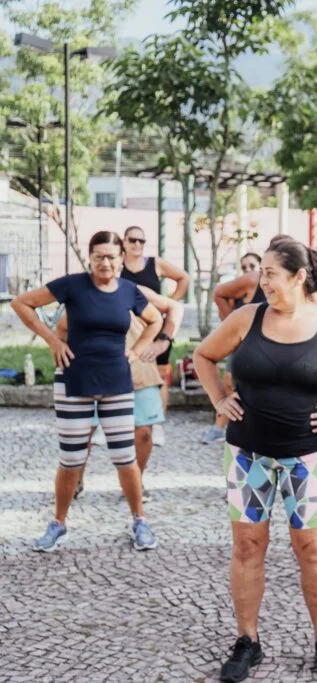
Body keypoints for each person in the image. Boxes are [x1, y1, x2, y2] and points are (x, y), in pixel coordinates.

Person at [192, 239, 317, 682]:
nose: (262, 281)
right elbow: (203, 356)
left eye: (270, 274)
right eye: (261, 272)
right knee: (248, 546)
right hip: (247, 456)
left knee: (313, 549)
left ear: (299, 276)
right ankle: (248, 641)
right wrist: (219, 398)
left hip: (307, 457)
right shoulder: (248, 317)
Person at [11, 231, 164, 552]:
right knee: (71, 459)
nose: (105, 263)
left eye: (111, 256)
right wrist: (53, 340)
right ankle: (58, 523)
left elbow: (154, 320)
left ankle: (140, 520)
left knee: (124, 457)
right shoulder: (72, 284)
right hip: (74, 381)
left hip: (117, 382)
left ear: (122, 258)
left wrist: (137, 351)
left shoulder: (129, 291)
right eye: (99, 256)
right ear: (90, 257)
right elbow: (21, 303)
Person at [63, 286, 183, 499]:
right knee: (82, 432)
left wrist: (163, 341)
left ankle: (136, 482)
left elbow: (173, 307)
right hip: (92, 371)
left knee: (144, 432)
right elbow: (63, 327)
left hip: (138, 371)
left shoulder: (134, 290)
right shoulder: (84, 290)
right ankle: (76, 480)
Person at [120, 225, 191, 447]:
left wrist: (171, 302)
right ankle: (123, 422)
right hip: (128, 330)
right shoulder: (116, 266)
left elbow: (183, 278)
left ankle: (157, 424)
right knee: (125, 374)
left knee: (160, 376)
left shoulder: (154, 264)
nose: (137, 245)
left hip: (155, 326)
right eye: (133, 240)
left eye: (142, 241)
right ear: (124, 242)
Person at [202, 253, 268, 444]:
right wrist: (232, 328)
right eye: (244, 267)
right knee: (231, 385)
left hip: (265, 345)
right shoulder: (244, 287)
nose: (248, 270)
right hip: (242, 345)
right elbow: (219, 295)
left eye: (252, 266)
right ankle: (219, 427)